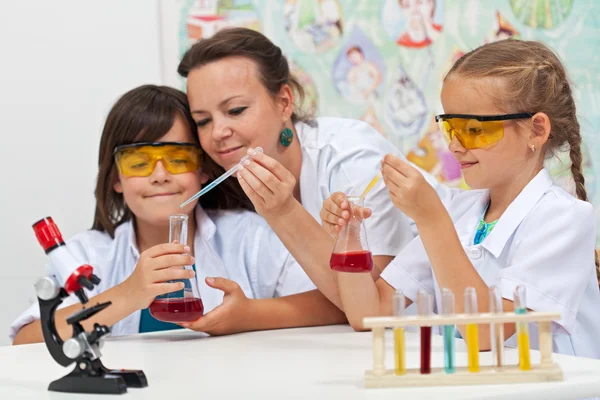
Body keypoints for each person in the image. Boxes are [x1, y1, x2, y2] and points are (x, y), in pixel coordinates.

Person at [327, 39, 600, 358]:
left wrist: (431, 219)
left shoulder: (565, 219)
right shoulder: (458, 211)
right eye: (450, 127)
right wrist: (349, 238)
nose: (455, 146)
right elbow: (368, 313)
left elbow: (488, 332)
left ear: (535, 131)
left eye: (473, 129)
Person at [10, 85, 329, 344]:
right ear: (116, 179)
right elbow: (26, 340)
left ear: (203, 170)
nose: (160, 175)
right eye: (139, 162)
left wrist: (251, 315)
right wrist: (127, 295)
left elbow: (331, 304)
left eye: (177, 158)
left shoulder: (251, 238)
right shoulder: (87, 255)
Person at [175, 27, 453, 322]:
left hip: (452, 334)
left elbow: (368, 303)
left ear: (284, 102)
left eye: (235, 110)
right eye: (203, 121)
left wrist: (252, 314)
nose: (218, 132)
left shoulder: (350, 158)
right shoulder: (236, 183)